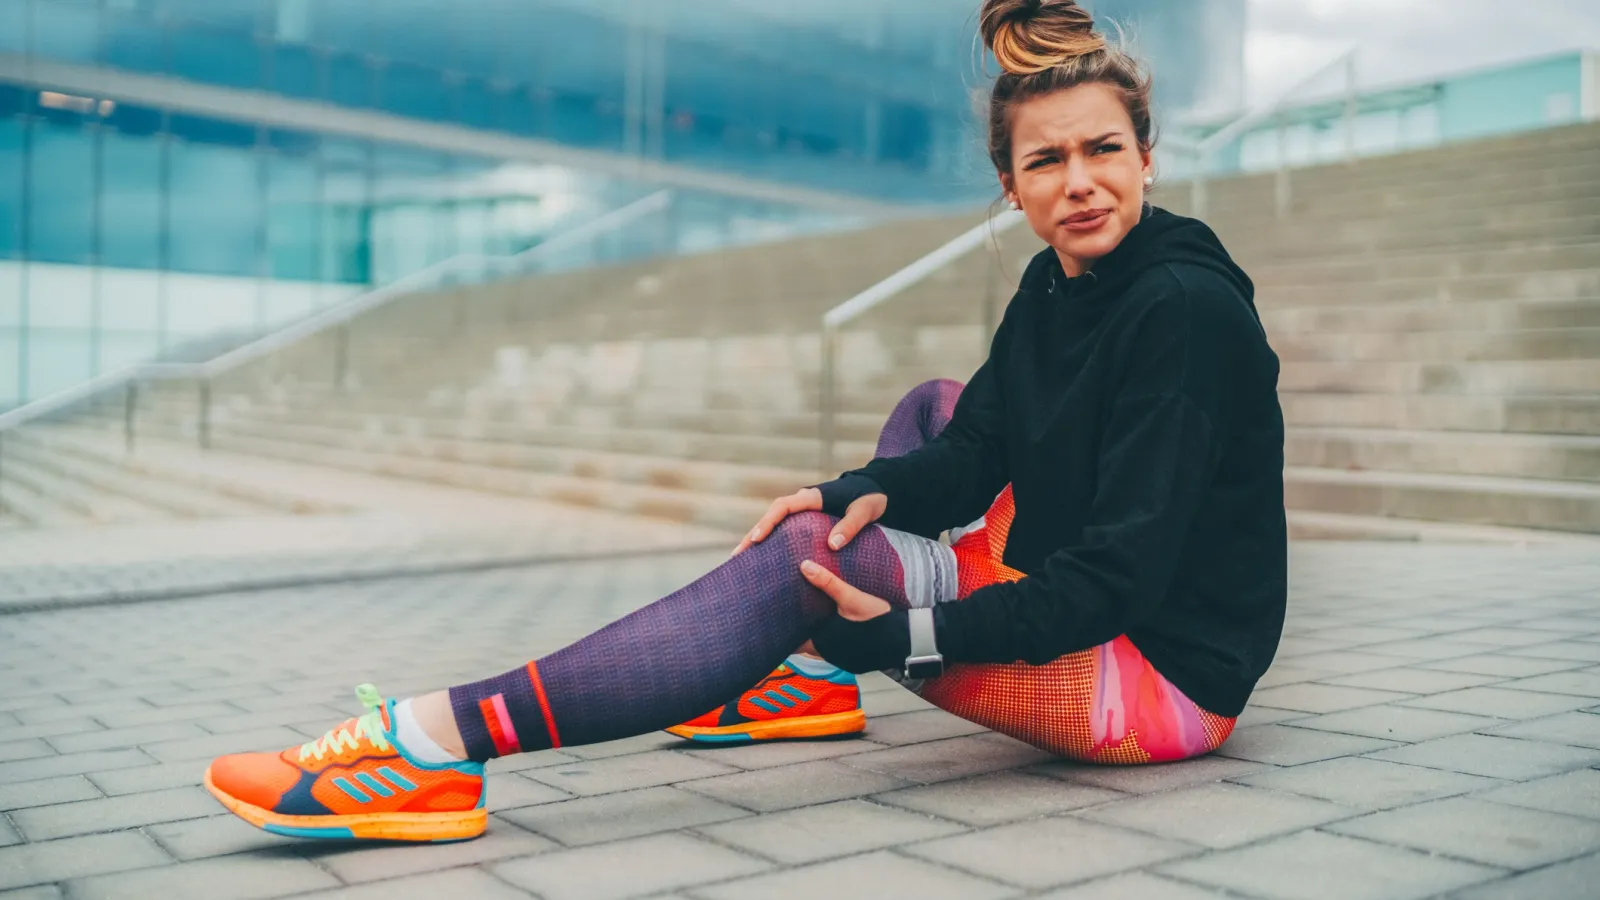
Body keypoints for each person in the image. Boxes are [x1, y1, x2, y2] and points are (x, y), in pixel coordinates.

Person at [202, 0, 1287, 843]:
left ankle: (432, 747)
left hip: (1153, 680)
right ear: (1008, 188)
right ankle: (801, 682)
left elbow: (1113, 584)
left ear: (1147, 154)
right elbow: (970, 456)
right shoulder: (1057, 287)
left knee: (807, 565)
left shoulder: (1182, 311)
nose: (1080, 183)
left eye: (1102, 151)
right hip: (1082, 603)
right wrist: (842, 491)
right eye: (1046, 161)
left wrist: (896, 638)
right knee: (926, 416)